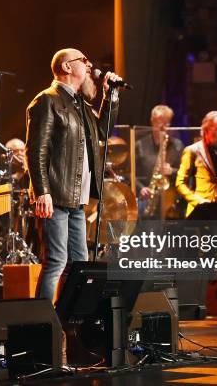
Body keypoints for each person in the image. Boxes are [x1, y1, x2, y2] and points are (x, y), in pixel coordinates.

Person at [26, 48, 122, 301]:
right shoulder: (47, 100)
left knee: (79, 264)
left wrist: (110, 95)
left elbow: (102, 132)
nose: (90, 65)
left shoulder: (79, 103)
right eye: (84, 61)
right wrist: (41, 192)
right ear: (67, 67)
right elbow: (36, 150)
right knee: (56, 261)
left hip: (76, 199)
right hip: (55, 196)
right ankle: (43, 321)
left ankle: (69, 318)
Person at [175, 111, 217, 217]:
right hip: (201, 209)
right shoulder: (192, 150)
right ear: (206, 129)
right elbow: (180, 183)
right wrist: (198, 201)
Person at [135, 105, 183, 218]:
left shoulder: (177, 145)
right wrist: (141, 188)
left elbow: (187, 174)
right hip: (146, 198)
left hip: (170, 201)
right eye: (160, 122)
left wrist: (171, 171)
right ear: (152, 121)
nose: (163, 127)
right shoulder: (140, 145)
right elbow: (132, 173)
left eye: (167, 123)